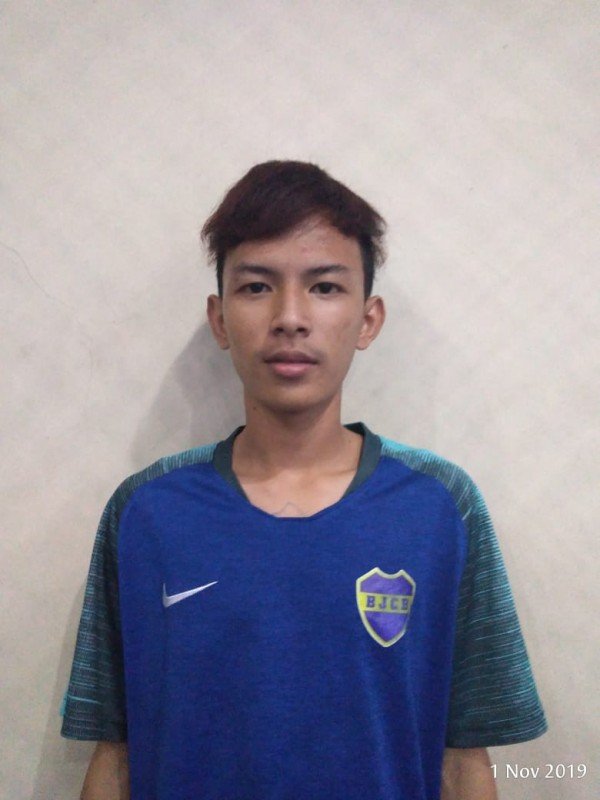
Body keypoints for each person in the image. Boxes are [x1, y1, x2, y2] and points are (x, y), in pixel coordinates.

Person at [60, 160, 547, 800]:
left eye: (324, 286)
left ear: (368, 319)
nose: (290, 316)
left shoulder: (441, 506)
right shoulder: (145, 511)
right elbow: (116, 754)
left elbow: (462, 760)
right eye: (257, 286)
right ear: (219, 319)